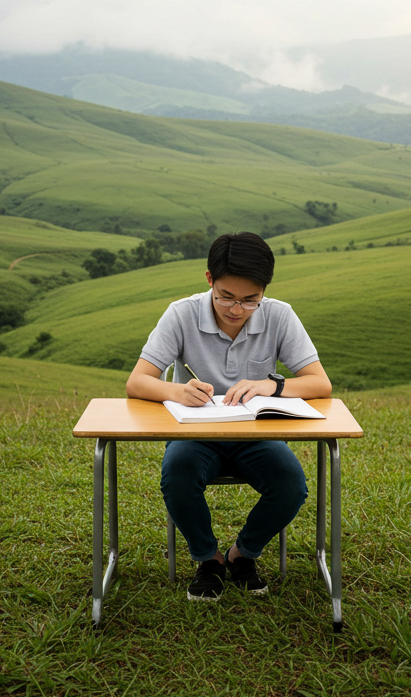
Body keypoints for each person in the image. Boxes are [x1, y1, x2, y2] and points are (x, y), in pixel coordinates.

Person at [124, 232, 331, 601]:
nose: (237, 309)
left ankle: (242, 555)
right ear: (209, 280)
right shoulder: (181, 313)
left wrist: (273, 386)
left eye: (251, 300)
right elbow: (137, 381)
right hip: (195, 434)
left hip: (256, 434)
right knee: (179, 474)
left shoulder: (279, 315)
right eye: (226, 298)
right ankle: (209, 560)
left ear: (264, 290)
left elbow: (320, 383)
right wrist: (177, 391)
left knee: (290, 484)